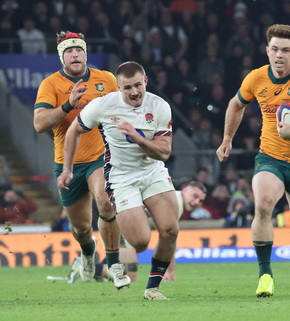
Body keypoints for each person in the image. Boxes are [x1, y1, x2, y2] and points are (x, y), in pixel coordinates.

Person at [216, 24, 290, 298]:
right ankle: (265, 274)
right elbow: (235, 104)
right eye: (275, 49)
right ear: (267, 51)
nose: (279, 55)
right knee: (264, 204)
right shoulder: (256, 78)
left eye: (286, 51)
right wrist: (227, 139)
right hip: (270, 156)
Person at [57, 61, 179, 300]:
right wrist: (67, 169)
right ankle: (111, 256)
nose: (134, 92)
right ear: (118, 87)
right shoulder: (103, 106)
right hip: (122, 178)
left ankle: (152, 288)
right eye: (127, 87)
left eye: (137, 85)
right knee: (141, 241)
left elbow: (164, 153)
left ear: (145, 81)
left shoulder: (160, 106)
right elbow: (73, 130)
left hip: (153, 172)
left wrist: (138, 138)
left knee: (170, 230)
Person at [33, 31, 129, 289]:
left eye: (79, 50)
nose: (75, 54)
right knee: (81, 229)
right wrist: (67, 106)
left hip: (100, 156)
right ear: (61, 57)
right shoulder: (51, 84)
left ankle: (115, 265)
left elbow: (125, 108)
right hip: (68, 163)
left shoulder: (106, 79)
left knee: (106, 202)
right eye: (69, 51)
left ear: (86, 54)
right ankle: (88, 252)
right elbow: (39, 123)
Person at [68, 181, 207, 283]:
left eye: (200, 200)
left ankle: (98, 270)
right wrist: (169, 271)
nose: (196, 202)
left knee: (128, 265)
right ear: (184, 190)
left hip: (121, 227)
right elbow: (167, 241)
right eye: (194, 196)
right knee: (130, 275)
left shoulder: (172, 198)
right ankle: (86, 266)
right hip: (121, 229)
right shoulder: (175, 202)